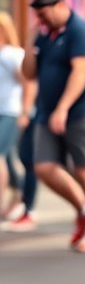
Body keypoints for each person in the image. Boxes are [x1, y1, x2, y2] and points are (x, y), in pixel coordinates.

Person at [21, 0, 85, 253]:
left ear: (60, 5)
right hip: (47, 111)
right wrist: (30, 43)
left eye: (44, 14)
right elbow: (29, 74)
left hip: (80, 111)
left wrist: (63, 108)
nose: (41, 20)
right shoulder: (45, 35)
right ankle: (83, 209)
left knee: (82, 167)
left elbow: (81, 73)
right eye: (37, 16)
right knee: (44, 167)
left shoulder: (80, 31)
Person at [0, 13, 29, 222]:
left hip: (10, 111)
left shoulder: (12, 54)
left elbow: (28, 82)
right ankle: (22, 194)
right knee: (8, 158)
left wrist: (25, 111)